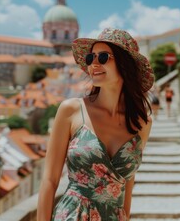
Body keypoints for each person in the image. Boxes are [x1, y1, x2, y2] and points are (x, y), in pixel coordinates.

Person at [37, 28, 155, 220]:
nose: (93, 64)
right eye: (91, 58)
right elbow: (49, 180)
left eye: (103, 57)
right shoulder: (72, 110)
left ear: (125, 65)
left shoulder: (142, 123)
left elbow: (128, 183)